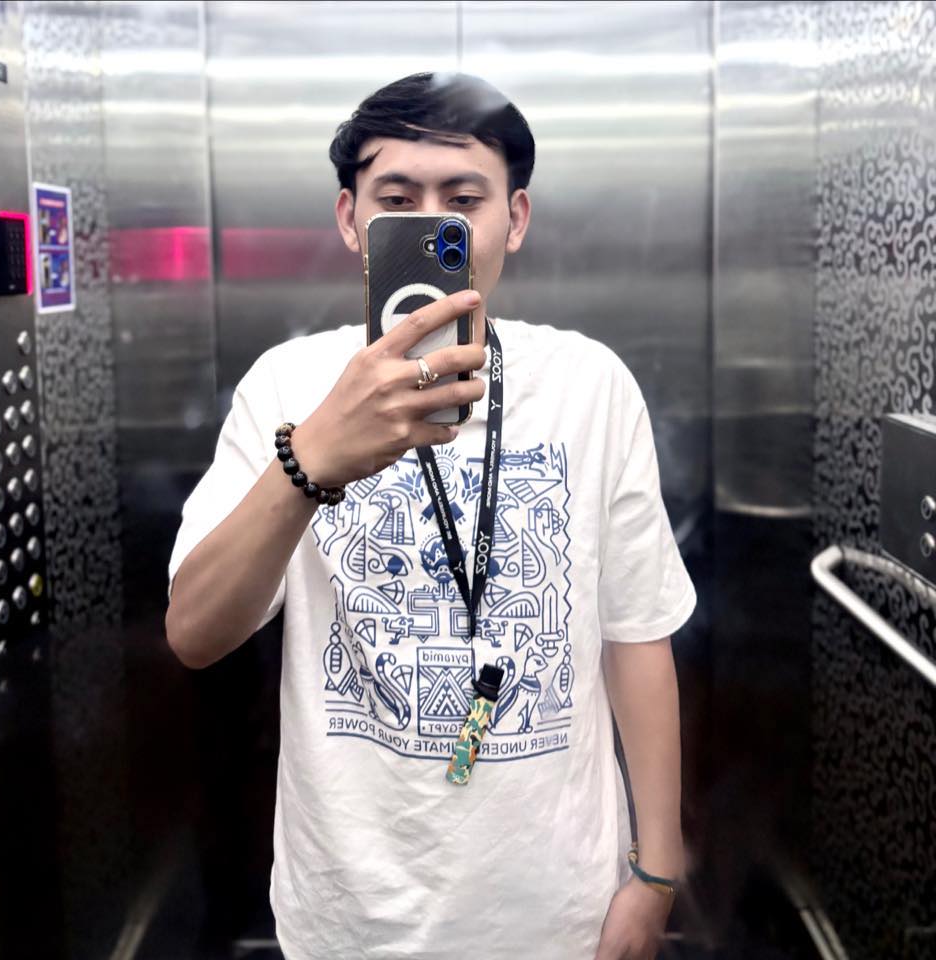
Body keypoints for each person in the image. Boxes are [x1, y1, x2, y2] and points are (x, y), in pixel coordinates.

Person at [166, 72, 697, 960]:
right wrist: (310, 461)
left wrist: (657, 875)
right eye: (397, 199)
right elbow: (194, 632)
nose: (432, 222)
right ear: (351, 220)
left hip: (561, 911)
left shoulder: (592, 386)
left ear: (514, 220)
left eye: (463, 200)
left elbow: (637, 636)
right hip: (348, 919)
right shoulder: (287, 387)